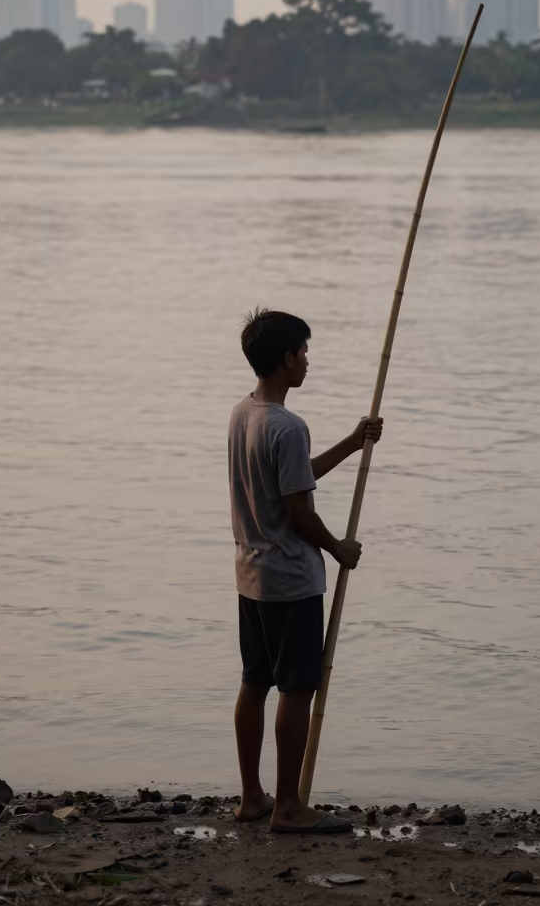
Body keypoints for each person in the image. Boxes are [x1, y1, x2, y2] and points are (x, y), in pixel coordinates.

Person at [229, 307, 383, 834]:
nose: (309, 362)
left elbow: (294, 480)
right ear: (285, 359)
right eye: (304, 353)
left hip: (251, 576)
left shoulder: (243, 414)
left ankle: (252, 797)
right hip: (290, 582)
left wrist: (354, 440)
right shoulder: (288, 426)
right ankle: (289, 807)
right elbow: (298, 512)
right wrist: (339, 549)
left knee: (255, 681)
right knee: (297, 688)